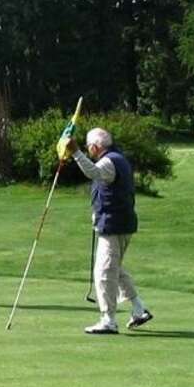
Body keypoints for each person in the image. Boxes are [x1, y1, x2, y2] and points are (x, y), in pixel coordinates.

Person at [66, 127, 151, 335]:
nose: (88, 151)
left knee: (104, 272)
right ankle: (138, 308)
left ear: (95, 147)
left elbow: (93, 172)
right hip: (120, 223)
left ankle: (108, 319)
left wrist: (76, 153)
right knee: (114, 269)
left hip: (114, 225)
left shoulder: (109, 161)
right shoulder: (117, 158)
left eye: (88, 148)